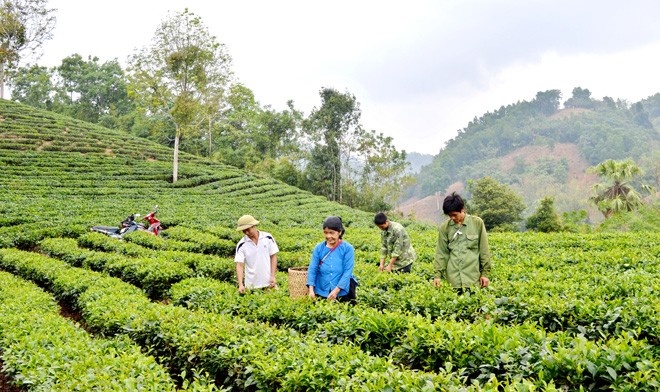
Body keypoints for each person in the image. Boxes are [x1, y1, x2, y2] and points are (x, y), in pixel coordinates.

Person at [433, 192, 491, 291]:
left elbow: (484, 250)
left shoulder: (477, 223)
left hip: (473, 280)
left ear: (462, 209)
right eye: (449, 215)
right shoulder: (445, 227)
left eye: (454, 215)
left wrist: (485, 274)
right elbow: (441, 253)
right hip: (453, 281)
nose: (452, 218)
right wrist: (437, 275)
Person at [307, 216, 357, 304]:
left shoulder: (347, 248)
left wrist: (336, 291)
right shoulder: (318, 248)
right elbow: (312, 269)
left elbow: (347, 272)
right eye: (325, 233)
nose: (328, 236)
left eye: (331, 233)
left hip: (342, 293)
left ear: (339, 232)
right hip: (321, 291)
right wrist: (311, 290)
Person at [234, 215, 279, 294]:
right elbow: (239, 265)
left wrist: (272, 276)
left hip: (268, 283)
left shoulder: (268, 237)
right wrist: (240, 284)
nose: (246, 233)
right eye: (244, 231)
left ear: (254, 226)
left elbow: (273, 257)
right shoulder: (241, 244)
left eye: (248, 230)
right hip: (251, 286)